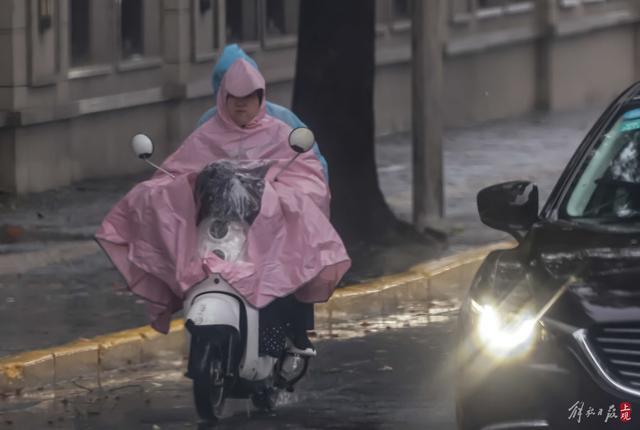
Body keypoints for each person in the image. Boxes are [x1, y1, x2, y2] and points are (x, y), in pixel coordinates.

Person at [95, 55, 351, 357]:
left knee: (284, 269)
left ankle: (291, 335)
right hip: (219, 231)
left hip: (268, 234)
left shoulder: (281, 133)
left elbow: (308, 179)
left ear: (261, 98)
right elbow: (179, 172)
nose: (240, 105)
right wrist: (159, 192)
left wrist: (281, 198)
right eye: (233, 98)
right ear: (222, 97)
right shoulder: (206, 134)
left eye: (248, 98)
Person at [197, 44, 329, 182]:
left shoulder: (282, 119)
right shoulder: (208, 123)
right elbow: (190, 170)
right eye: (233, 91)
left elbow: (312, 164)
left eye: (247, 91)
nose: (240, 101)